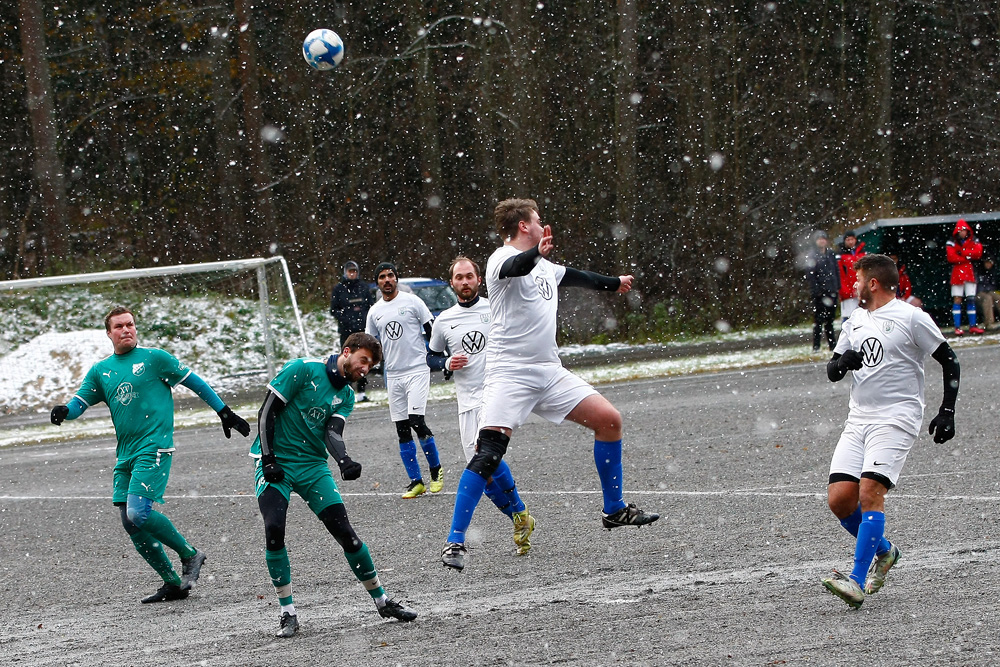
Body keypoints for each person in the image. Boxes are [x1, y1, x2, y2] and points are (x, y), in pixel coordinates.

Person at [440, 198, 659, 572]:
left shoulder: (545, 266)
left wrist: (614, 284)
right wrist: (534, 255)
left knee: (609, 421)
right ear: (524, 226)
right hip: (510, 373)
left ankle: (614, 510)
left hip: (549, 371)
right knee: (488, 453)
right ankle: (455, 542)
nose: (543, 224)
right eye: (537, 219)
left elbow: (574, 276)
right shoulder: (499, 259)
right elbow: (514, 266)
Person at [49, 306, 251, 603]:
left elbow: (194, 381)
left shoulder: (155, 359)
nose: (126, 329)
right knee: (129, 521)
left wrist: (224, 412)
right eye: (119, 326)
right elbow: (81, 401)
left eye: (130, 324)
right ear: (109, 333)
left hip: (154, 446)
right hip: (125, 454)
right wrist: (66, 410)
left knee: (138, 512)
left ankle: (190, 554)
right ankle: (172, 584)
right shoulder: (100, 371)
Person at [251, 332, 417, 637]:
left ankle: (382, 602)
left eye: (371, 365)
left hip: (313, 467)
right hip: (277, 464)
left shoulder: (347, 396)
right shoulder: (303, 368)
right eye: (363, 360)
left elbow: (332, 432)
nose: (366, 368)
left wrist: (343, 460)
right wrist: (268, 457)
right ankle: (288, 613)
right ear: (347, 351)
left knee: (347, 535)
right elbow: (266, 412)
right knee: (274, 530)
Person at [821, 254, 960, 609]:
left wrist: (947, 411)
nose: (852, 286)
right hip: (858, 419)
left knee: (870, 493)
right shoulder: (854, 319)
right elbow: (832, 370)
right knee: (839, 501)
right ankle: (886, 552)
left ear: (873, 283)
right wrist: (842, 363)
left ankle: (856, 580)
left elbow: (949, 359)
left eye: (857, 280)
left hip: (897, 417)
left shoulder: (912, 317)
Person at [427, 257, 535, 556]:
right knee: (485, 472)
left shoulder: (495, 308)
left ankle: (465, 533)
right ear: (452, 283)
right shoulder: (444, 320)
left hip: (497, 397)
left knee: (484, 459)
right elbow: (431, 357)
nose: (465, 282)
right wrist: (447, 362)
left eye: (469, 276)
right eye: (459, 277)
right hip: (467, 403)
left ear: (479, 279)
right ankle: (520, 516)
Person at [365, 261, 443, 498]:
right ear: (377, 282)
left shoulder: (413, 302)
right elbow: (371, 344)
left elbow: (432, 330)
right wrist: (370, 366)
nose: (387, 280)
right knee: (401, 429)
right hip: (394, 374)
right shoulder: (375, 311)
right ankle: (415, 481)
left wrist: (437, 356)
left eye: (390, 275)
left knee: (417, 421)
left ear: (397, 278)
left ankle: (435, 470)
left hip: (417, 370)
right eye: (382, 277)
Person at [329, 260, 375, 401]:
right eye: (350, 271)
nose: (352, 274)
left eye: (354, 271)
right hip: (346, 332)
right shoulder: (339, 289)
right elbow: (333, 309)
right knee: (347, 360)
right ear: (345, 273)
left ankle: (362, 392)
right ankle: (346, 391)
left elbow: (370, 306)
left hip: (362, 331)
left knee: (363, 360)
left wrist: (363, 317)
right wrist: (345, 317)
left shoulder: (363, 287)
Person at [946, 218, 984, 335]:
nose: (963, 233)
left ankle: (972, 326)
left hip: (969, 273)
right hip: (957, 274)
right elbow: (951, 257)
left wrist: (962, 253)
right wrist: (967, 256)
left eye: (964, 230)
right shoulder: (951, 241)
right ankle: (957, 327)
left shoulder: (974, 239)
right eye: (961, 230)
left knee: (971, 299)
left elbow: (978, 253)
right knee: (957, 299)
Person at [805, 230, 840, 352]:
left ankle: (832, 345)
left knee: (830, 321)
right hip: (820, 294)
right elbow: (811, 276)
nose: (822, 241)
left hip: (832, 291)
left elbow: (836, 271)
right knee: (818, 321)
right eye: (819, 239)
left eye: (823, 239)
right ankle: (816, 346)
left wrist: (837, 287)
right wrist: (817, 290)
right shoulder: (812, 255)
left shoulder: (831, 254)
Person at [836, 230, 865, 324]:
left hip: (861, 290)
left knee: (863, 316)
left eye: (852, 239)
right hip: (847, 291)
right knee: (848, 317)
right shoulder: (840, 255)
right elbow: (840, 274)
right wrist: (845, 290)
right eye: (848, 240)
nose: (850, 242)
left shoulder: (862, 252)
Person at [975, 257, 1000, 330]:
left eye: (990, 263)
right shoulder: (978, 271)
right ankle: (989, 323)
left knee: (997, 297)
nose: (989, 265)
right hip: (978, 294)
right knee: (987, 298)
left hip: (990, 291)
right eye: (987, 262)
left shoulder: (993, 272)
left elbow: (993, 286)